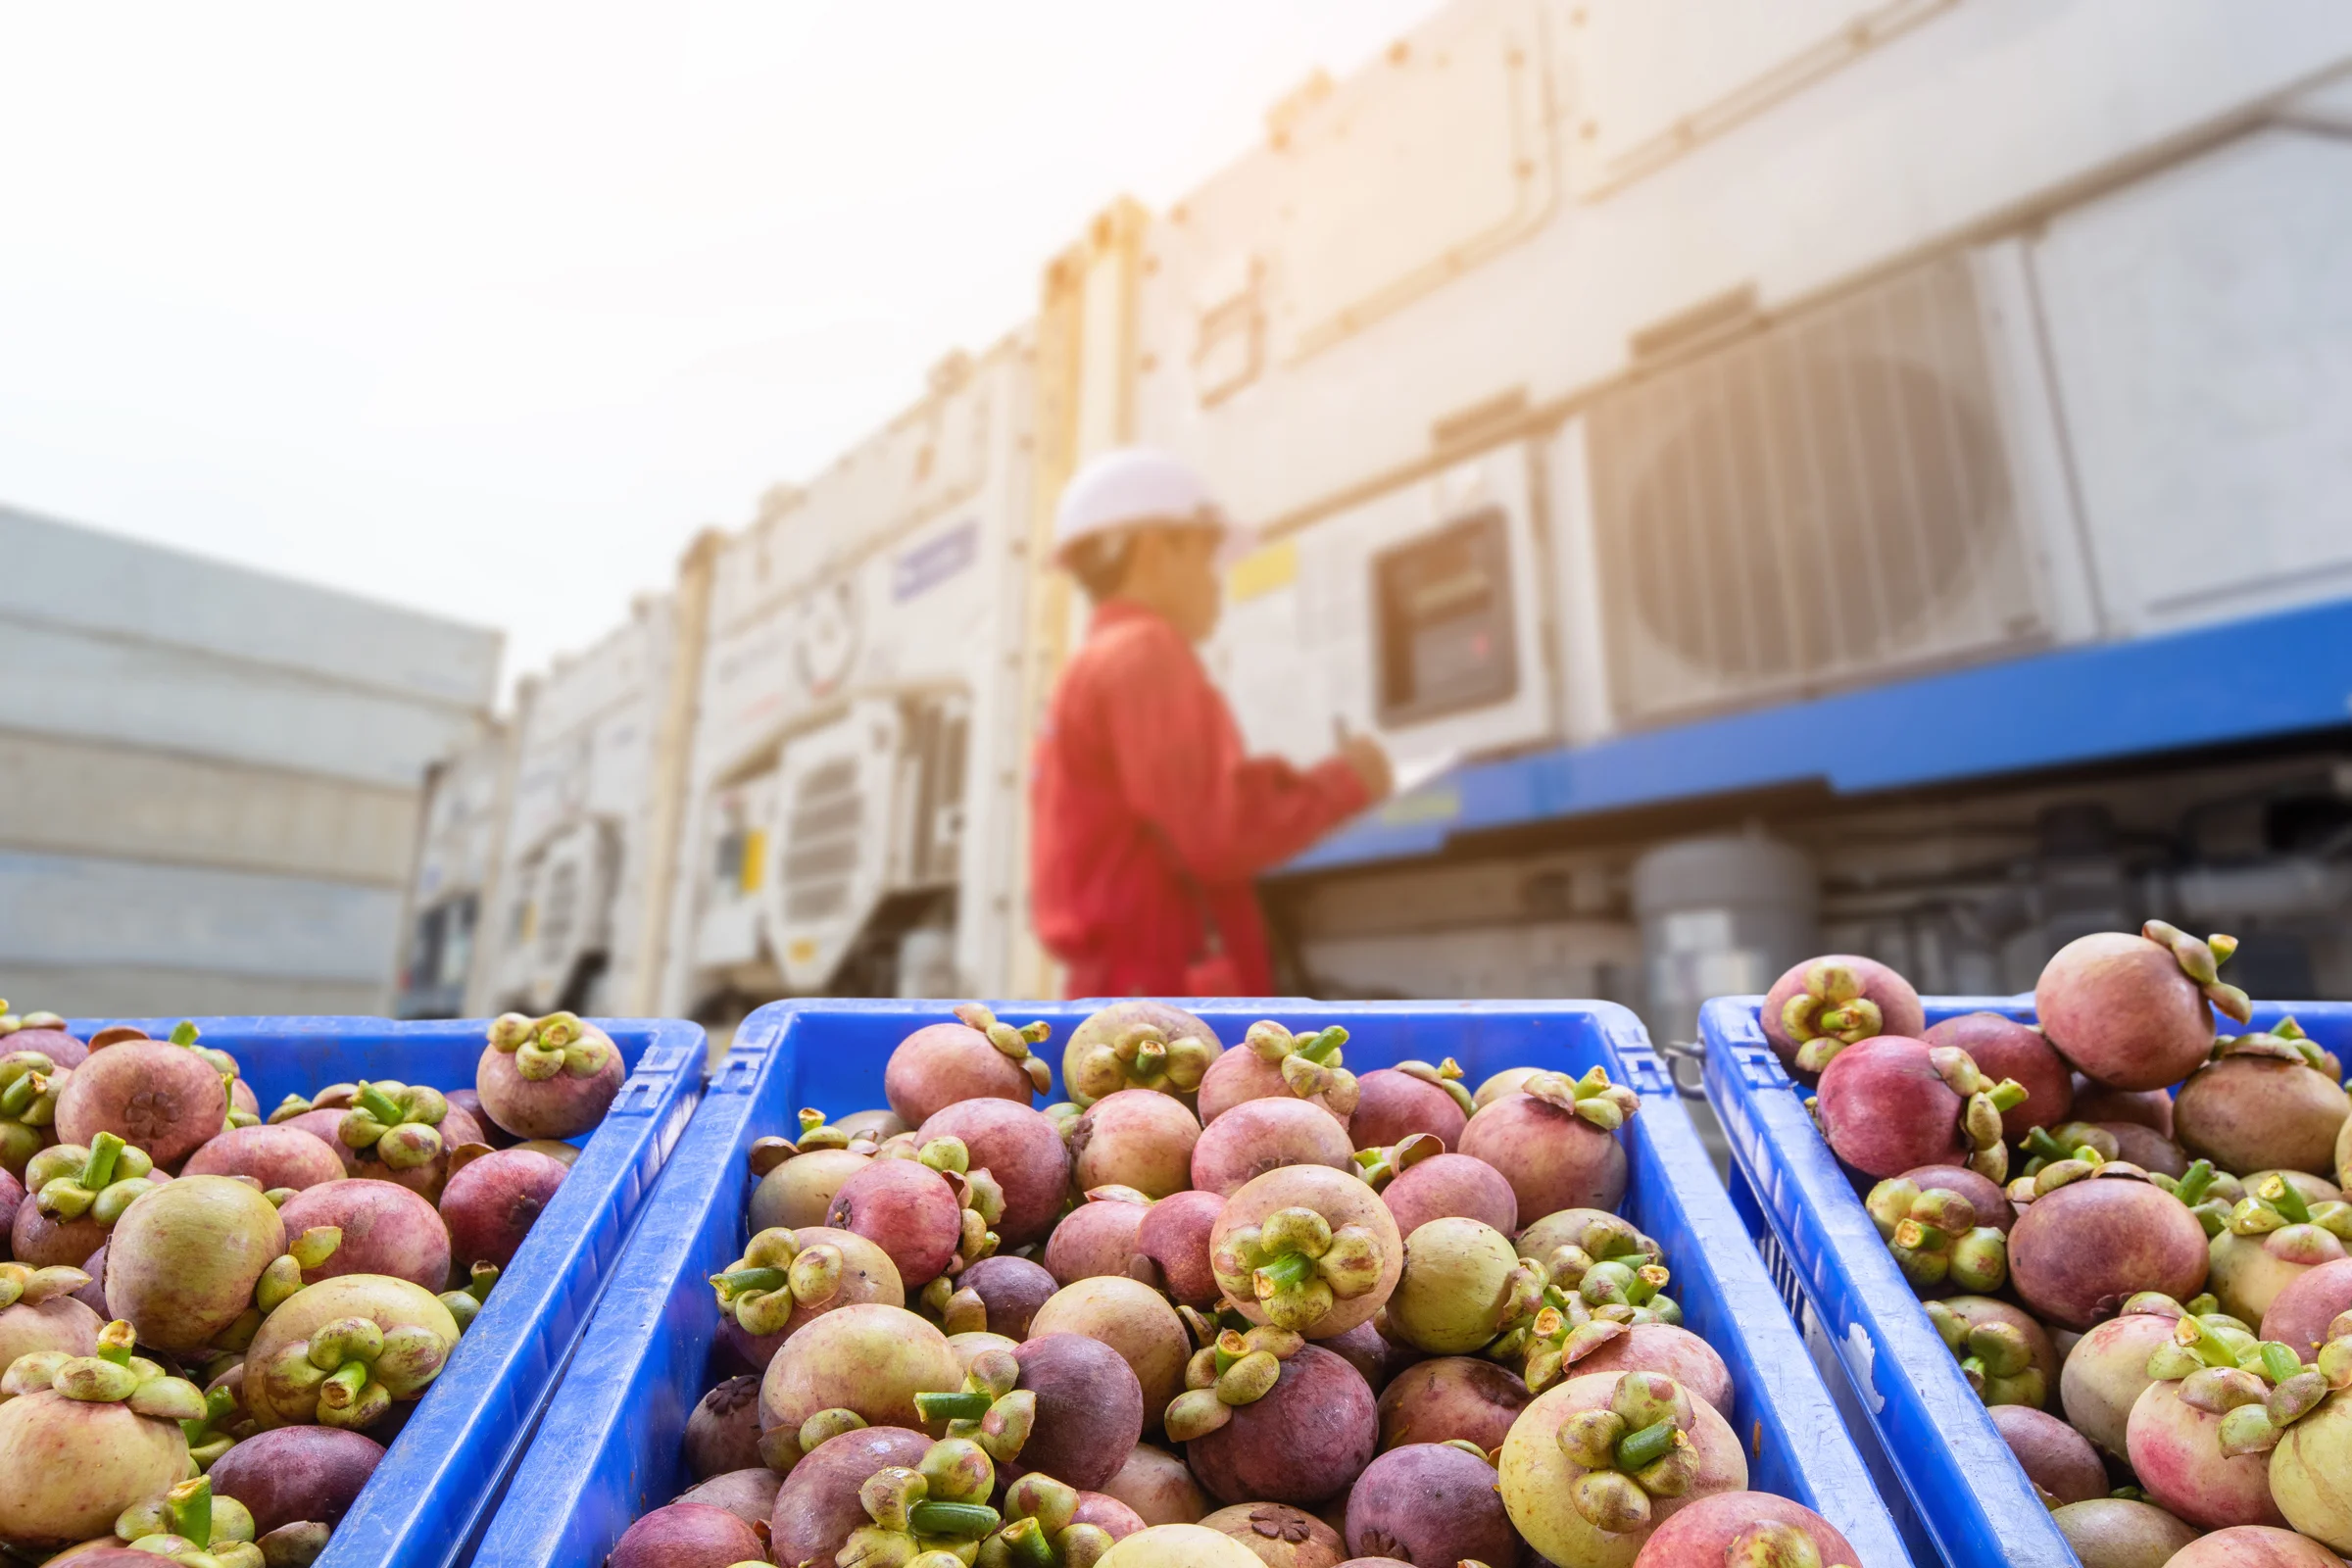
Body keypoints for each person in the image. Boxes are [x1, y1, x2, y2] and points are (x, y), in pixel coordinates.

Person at [1029, 447, 1392, 998]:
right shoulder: (1145, 652)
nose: (1217, 581)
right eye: (1205, 557)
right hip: (1164, 1000)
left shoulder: (1090, 665)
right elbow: (1215, 831)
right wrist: (1347, 781)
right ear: (1154, 552)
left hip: (1122, 990)